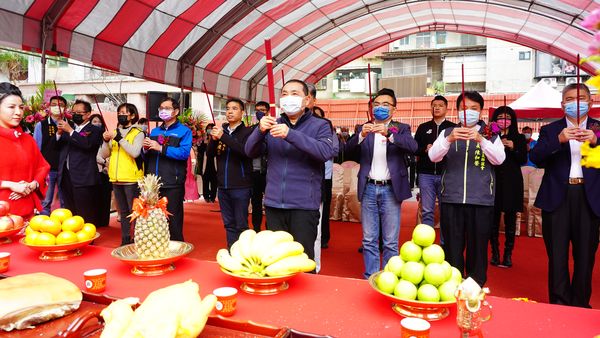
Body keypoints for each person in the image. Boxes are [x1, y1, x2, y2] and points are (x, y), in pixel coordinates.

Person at [245, 79, 335, 262]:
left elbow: (325, 152)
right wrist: (259, 131)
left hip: (303, 205)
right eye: (284, 94)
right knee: (276, 260)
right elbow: (249, 151)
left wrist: (290, 134)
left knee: (302, 258)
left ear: (307, 99)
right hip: (273, 203)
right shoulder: (272, 124)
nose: (288, 98)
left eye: (295, 94)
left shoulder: (321, 125)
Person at [530, 83, 600, 308]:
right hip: (557, 197)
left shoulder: (598, 129)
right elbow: (537, 158)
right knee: (557, 256)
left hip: (589, 197)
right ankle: (559, 302)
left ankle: (580, 303)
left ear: (590, 102)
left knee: (585, 257)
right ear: (562, 104)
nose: (575, 103)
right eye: (569, 99)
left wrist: (596, 142)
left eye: (581, 98)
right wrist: (558, 140)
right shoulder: (551, 130)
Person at [428, 91, 505, 286]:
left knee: (478, 248)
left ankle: (474, 287)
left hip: (481, 201)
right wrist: (449, 139)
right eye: (464, 108)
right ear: (457, 111)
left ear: (480, 111)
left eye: (473, 109)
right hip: (452, 199)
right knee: (452, 248)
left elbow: (499, 159)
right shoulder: (447, 132)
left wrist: (481, 139)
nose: (468, 112)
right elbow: (433, 157)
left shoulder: (490, 133)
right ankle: (452, 286)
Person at [345, 88, 417, 278]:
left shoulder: (400, 128)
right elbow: (346, 151)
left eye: (385, 105)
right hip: (368, 186)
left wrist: (389, 134)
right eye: (376, 105)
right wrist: (360, 136)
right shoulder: (364, 127)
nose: (380, 108)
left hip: (391, 189)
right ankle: (370, 275)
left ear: (394, 109)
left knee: (390, 240)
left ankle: (388, 277)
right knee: (369, 238)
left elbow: (413, 147)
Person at [143, 97, 192, 241]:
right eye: (161, 108)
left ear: (176, 111)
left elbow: (183, 154)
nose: (163, 111)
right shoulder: (155, 131)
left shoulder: (184, 131)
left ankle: (176, 246)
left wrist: (161, 148)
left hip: (172, 181)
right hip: (153, 182)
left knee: (173, 217)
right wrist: (146, 149)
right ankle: (156, 245)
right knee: (153, 217)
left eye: (167, 108)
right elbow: (147, 155)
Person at [207, 98, 253, 248]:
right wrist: (213, 140)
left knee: (241, 224)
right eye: (227, 109)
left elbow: (244, 151)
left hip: (241, 186)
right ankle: (232, 252)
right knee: (228, 224)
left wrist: (223, 137)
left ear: (242, 112)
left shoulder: (248, 132)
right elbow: (210, 154)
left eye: (234, 108)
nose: (230, 112)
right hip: (223, 186)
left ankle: (244, 254)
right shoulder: (222, 130)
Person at [0, 82, 50, 219]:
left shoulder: (27, 139)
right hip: (2, 215)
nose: (18, 112)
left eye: (21, 107)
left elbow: (42, 167)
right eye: (11, 107)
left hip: (27, 212)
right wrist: (11, 185)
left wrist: (32, 184)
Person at [99, 103, 144, 245]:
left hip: (132, 179)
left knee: (135, 212)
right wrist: (106, 141)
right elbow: (104, 154)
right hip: (116, 178)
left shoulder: (138, 133)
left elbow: (135, 152)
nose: (121, 115)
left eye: (124, 112)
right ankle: (125, 239)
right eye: (119, 113)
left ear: (132, 115)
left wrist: (120, 139)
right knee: (123, 212)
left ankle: (138, 239)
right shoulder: (114, 132)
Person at [489, 106, 527, 268]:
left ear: (512, 120)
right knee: (493, 219)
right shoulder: (490, 136)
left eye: (507, 117)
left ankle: (508, 253)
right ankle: (495, 253)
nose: (503, 121)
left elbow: (523, 160)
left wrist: (513, 148)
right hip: (495, 179)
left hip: (512, 181)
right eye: (500, 117)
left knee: (511, 219)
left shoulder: (518, 137)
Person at [56, 99, 103, 226]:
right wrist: (59, 134)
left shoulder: (94, 130)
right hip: (67, 175)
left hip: (84, 176)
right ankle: (74, 236)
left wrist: (71, 131)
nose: (75, 114)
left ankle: (88, 237)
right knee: (71, 210)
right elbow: (58, 147)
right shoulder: (68, 128)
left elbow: (87, 145)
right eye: (73, 112)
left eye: (79, 112)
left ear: (88, 114)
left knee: (85, 210)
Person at [414, 95, 455, 230]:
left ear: (446, 109)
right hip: (426, 174)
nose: (436, 108)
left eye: (440, 105)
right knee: (427, 211)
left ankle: (445, 244)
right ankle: (427, 242)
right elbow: (414, 149)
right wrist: (425, 149)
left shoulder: (452, 128)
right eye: (434, 105)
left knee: (447, 212)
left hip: (447, 175)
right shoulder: (423, 127)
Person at [33, 95, 67, 215]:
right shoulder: (41, 125)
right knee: (46, 200)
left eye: (61, 105)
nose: (57, 107)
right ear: (48, 107)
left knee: (66, 200)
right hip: (48, 168)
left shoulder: (70, 125)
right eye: (54, 105)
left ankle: (65, 223)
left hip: (65, 169)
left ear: (65, 108)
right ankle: (44, 223)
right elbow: (36, 148)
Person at [90, 114, 112, 228]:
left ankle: (104, 220)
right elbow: (92, 154)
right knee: (94, 197)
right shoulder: (87, 135)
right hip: (92, 170)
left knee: (105, 196)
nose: (97, 124)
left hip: (104, 171)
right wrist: (102, 160)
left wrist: (105, 141)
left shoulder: (107, 137)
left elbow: (108, 152)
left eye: (99, 122)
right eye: (94, 121)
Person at [250, 101, 269, 231]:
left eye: (262, 110)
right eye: (257, 110)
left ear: (268, 111)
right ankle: (256, 228)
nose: (259, 112)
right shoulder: (253, 129)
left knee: (270, 203)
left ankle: (270, 228)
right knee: (256, 202)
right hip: (255, 171)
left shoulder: (275, 127)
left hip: (270, 171)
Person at [202, 123, 218, 203]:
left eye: (211, 128)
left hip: (214, 162)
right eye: (208, 128)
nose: (210, 130)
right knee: (205, 180)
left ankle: (212, 197)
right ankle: (206, 196)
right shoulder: (203, 139)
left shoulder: (217, 139)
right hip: (205, 163)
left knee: (214, 181)